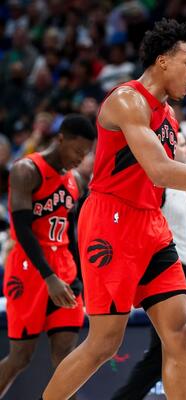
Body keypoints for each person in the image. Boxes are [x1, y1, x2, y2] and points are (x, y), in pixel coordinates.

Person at [43, 19, 186, 400]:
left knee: (180, 333)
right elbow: (161, 171)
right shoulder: (126, 100)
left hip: (151, 224)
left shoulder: (169, 116)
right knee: (104, 343)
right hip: (111, 221)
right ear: (163, 60)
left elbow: (167, 180)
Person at [111, 132, 186, 400]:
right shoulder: (157, 185)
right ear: (167, 147)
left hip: (180, 270)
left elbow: (184, 236)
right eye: (183, 145)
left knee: (165, 351)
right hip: (164, 268)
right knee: (182, 346)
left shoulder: (181, 189)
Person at [0, 115, 94, 398]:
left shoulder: (76, 180)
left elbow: (72, 234)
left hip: (64, 267)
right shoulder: (26, 170)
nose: (80, 159)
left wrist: (79, 276)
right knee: (20, 357)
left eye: (86, 154)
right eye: (77, 151)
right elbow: (22, 229)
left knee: (66, 356)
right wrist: (48, 276)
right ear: (61, 139)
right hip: (29, 268)